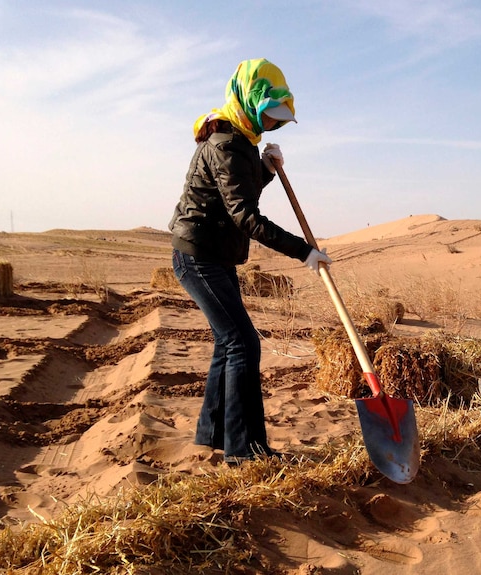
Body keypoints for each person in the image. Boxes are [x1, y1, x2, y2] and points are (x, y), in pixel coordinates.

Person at [169, 58, 332, 465]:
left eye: (278, 121)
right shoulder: (225, 144)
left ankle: (213, 436)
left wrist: (265, 168)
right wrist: (304, 251)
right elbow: (245, 214)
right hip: (198, 257)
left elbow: (241, 192)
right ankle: (245, 452)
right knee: (243, 343)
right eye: (270, 118)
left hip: (215, 255)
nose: (273, 126)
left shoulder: (239, 140)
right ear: (248, 103)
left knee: (229, 344)